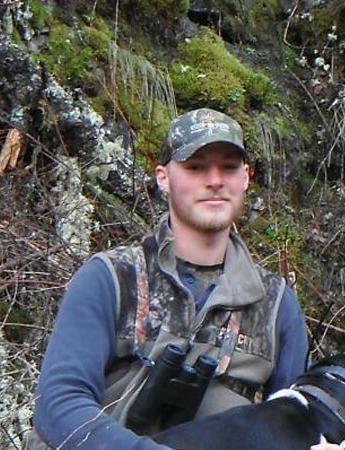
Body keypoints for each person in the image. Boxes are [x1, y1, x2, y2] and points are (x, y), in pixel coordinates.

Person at [32, 108, 310, 449]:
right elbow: (58, 404)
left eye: (229, 167)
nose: (215, 180)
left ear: (246, 177)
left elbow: (297, 423)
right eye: (196, 167)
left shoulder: (276, 303)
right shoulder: (111, 278)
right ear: (163, 178)